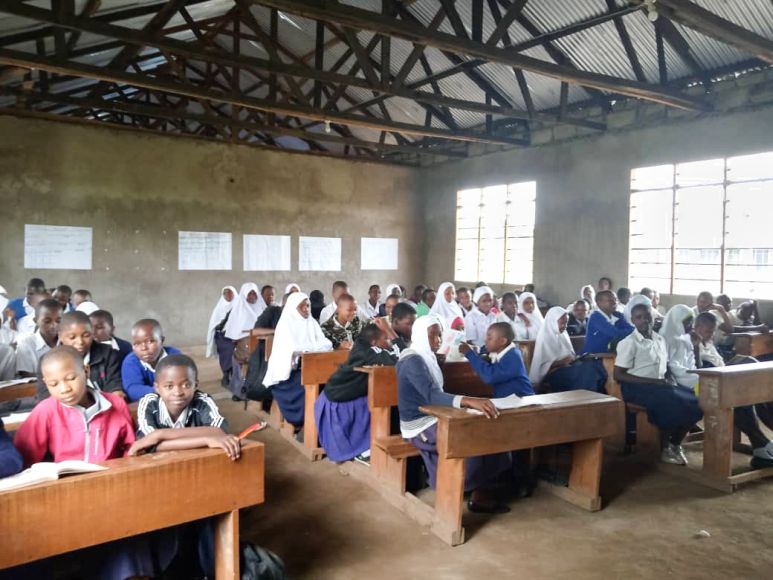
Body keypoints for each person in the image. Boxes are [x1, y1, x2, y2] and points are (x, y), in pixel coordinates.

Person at [13, 346, 172, 579]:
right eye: (53, 384)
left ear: (86, 371)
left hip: (112, 491)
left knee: (132, 531)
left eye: (71, 378)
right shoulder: (46, 411)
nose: (65, 389)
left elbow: (130, 451)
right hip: (65, 497)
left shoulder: (114, 405)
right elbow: (23, 458)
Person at [398, 315, 511, 513]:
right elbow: (430, 394)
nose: (438, 340)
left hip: (436, 415)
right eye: (433, 335)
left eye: (440, 335)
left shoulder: (425, 356)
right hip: (419, 425)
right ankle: (464, 485)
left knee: (491, 429)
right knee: (469, 436)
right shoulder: (412, 360)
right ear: (420, 336)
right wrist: (468, 400)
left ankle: (479, 490)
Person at [666, 308, 773, 468]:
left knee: (748, 376)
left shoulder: (705, 342)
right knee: (735, 399)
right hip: (696, 385)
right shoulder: (682, 341)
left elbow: (713, 364)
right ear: (697, 326)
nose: (710, 334)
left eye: (712, 331)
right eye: (708, 331)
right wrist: (696, 350)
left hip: (714, 379)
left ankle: (761, 444)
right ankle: (760, 444)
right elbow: (691, 371)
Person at [614, 303, 703, 466]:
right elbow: (618, 375)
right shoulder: (629, 342)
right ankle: (664, 449)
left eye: (647, 316)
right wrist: (653, 381)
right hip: (636, 388)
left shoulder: (659, 339)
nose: (644, 320)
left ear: (653, 317)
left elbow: (665, 365)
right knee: (669, 401)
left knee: (696, 400)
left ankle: (675, 443)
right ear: (633, 320)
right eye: (639, 317)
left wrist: (670, 379)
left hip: (659, 385)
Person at [315, 324, 396, 463]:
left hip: (343, 393)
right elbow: (392, 361)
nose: (388, 340)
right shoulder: (366, 352)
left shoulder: (363, 347)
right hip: (337, 399)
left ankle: (366, 447)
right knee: (376, 402)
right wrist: (393, 344)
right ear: (374, 342)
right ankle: (362, 450)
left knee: (378, 397)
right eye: (385, 338)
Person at [131, 354, 236, 456]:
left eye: (186, 385)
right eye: (169, 386)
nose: (178, 392)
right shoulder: (149, 403)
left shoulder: (202, 400)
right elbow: (146, 444)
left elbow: (219, 431)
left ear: (195, 385)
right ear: (157, 388)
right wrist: (206, 440)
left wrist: (159, 435)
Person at [263, 292, 332, 428]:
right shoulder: (285, 324)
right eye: (301, 307)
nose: (306, 309)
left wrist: (309, 348)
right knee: (308, 387)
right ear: (293, 308)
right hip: (288, 375)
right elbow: (294, 348)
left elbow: (327, 343)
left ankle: (320, 423)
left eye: (307, 305)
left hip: (310, 368)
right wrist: (314, 347)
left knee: (328, 383)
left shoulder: (312, 322)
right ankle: (304, 424)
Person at [529, 307, 607, 393]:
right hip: (554, 374)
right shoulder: (544, 338)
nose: (565, 326)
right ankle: (585, 398)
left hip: (568, 367)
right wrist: (562, 362)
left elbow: (570, 354)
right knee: (587, 371)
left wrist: (574, 358)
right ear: (552, 322)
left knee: (594, 365)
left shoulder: (563, 334)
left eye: (566, 323)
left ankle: (595, 398)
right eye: (562, 323)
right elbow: (542, 365)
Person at [57, 311, 124, 395]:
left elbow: (115, 387)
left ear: (92, 333)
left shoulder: (108, 354)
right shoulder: (49, 362)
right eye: (72, 337)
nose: (80, 342)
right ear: (60, 336)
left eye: (86, 335)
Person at [460, 322, 533, 398]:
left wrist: (469, 354)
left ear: (502, 341)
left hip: (521, 401)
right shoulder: (500, 352)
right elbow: (484, 351)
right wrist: (474, 350)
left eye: (489, 338)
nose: (485, 341)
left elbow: (490, 376)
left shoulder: (513, 356)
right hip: (508, 400)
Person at [121, 319, 181, 402]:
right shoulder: (131, 361)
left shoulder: (175, 356)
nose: (144, 348)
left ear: (161, 340)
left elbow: (181, 382)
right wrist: (158, 391)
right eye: (137, 343)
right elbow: (132, 390)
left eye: (150, 341)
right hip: (144, 403)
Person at [15, 298, 62, 378]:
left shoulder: (67, 341)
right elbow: (25, 374)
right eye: (47, 321)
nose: (54, 325)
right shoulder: (26, 344)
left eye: (58, 321)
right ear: (36, 320)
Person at [206, 285, 237, 387]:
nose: (228, 295)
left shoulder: (238, 306)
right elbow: (213, 323)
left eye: (230, 293)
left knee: (233, 354)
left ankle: (232, 374)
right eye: (226, 293)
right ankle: (226, 374)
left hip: (234, 336)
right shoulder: (219, 307)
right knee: (224, 355)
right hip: (221, 336)